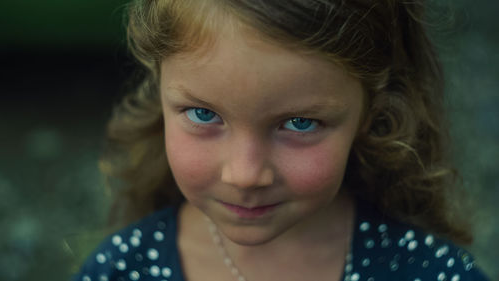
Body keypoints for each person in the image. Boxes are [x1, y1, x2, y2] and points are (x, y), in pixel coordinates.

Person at [73, 0, 490, 280]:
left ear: (372, 112)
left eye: (300, 124)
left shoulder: (428, 271)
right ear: (160, 89)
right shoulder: (122, 268)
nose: (246, 174)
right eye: (204, 115)